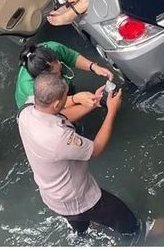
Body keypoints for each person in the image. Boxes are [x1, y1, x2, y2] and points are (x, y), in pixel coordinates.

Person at [17, 72, 140, 237]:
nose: (68, 99)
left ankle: (81, 233)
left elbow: (62, 116)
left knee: (80, 228)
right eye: (65, 98)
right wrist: (111, 111)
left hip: (52, 196)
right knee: (126, 221)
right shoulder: (59, 138)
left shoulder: (26, 112)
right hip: (77, 197)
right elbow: (96, 149)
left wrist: (92, 104)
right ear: (54, 104)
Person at [15, 41, 114, 114]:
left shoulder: (53, 48)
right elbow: (51, 106)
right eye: (56, 75)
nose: (60, 74)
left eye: (59, 64)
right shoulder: (30, 88)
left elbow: (71, 57)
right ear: (44, 81)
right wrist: (76, 99)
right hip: (41, 107)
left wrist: (93, 67)